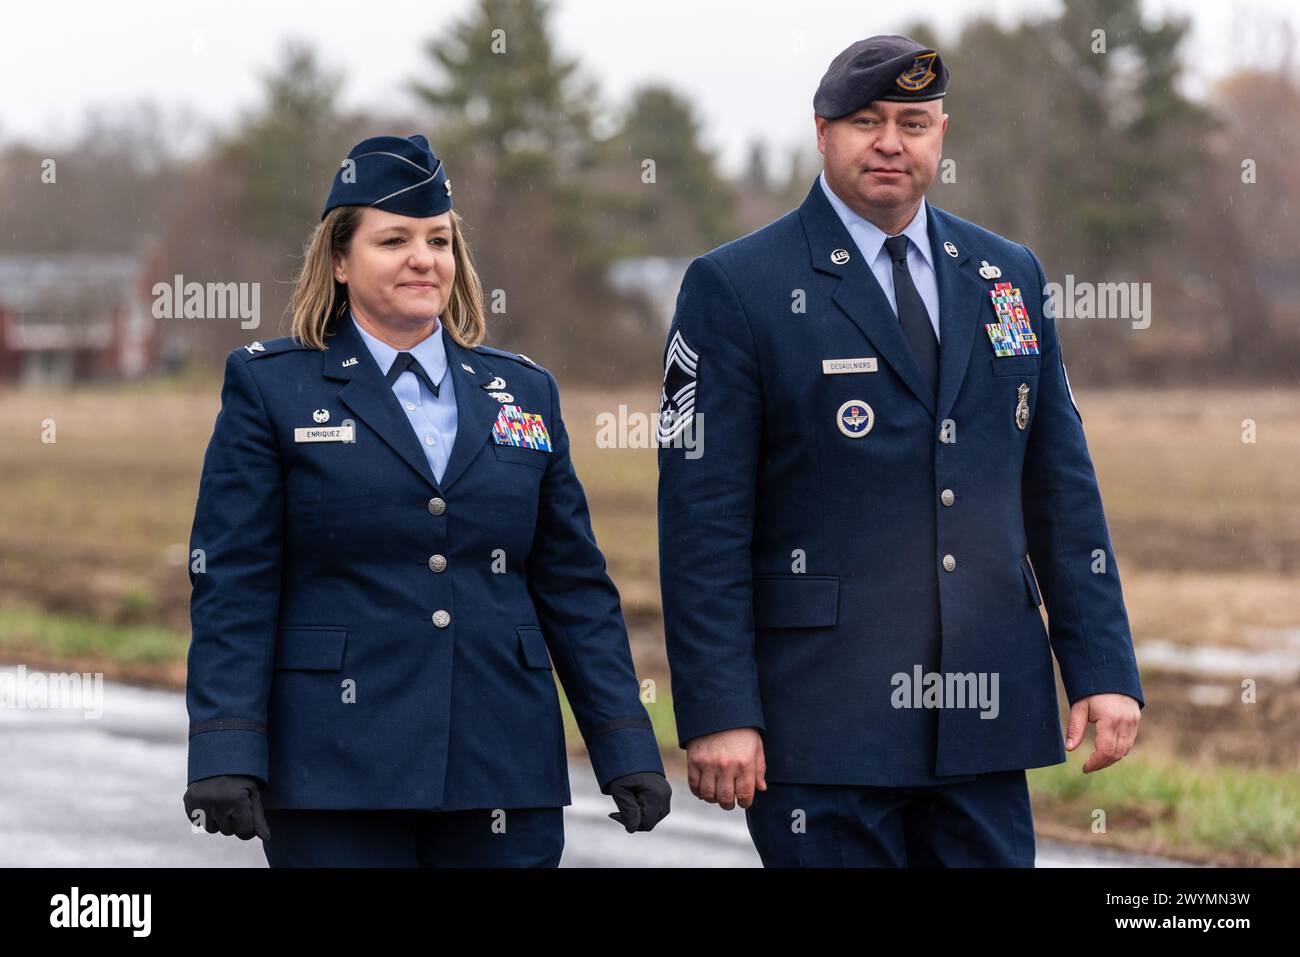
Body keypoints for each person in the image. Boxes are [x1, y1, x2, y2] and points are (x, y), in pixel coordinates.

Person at [656, 36, 1143, 867]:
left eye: (912, 122)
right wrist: (717, 709)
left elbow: (1059, 487)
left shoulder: (1007, 274)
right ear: (821, 132)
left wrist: (1103, 665)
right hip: (822, 728)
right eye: (866, 121)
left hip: (983, 719)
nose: (890, 141)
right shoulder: (738, 287)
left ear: (941, 134)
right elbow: (703, 524)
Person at [182, 133, 669, 867]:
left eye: (438, 239)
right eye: (394, 239)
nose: (423, 257)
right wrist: (225, 743)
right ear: (339, 260)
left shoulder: (523, 390)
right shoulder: (271, 388)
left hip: (501, 767)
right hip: (335, 773)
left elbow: (572, 583)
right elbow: (234, 582)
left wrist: (623, 737)